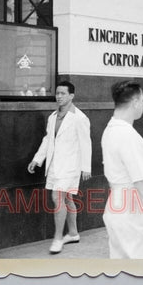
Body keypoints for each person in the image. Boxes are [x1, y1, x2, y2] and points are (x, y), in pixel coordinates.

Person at [101, 81, 143, 259]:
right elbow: (140, 179)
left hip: (116, 204)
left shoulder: (110, 130)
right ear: (136, 102)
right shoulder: (128, 135)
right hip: (133, 209)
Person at [27, 81, 92, 254]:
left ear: (72, 96)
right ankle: (73, 233)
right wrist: (37, 159)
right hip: (55, 166)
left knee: (57, 198)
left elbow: (86, 144)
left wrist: (86, 167)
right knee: (68, 199)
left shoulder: (80, 118)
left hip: (70, 167)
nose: (59, 96)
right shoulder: (52, 117)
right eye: (57, 93)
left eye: (63, 93)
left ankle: (57, 239)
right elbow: (48, 140)